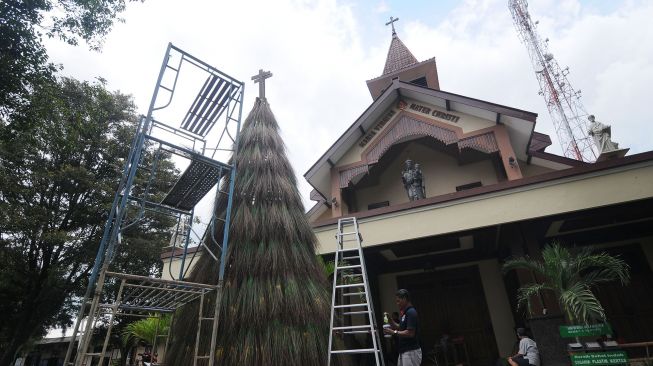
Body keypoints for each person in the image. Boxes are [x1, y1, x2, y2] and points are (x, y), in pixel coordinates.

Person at [384, 289, 422, 366]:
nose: (397, 303)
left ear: (404, 299)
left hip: (411, 351)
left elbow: (410, 333)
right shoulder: (404, 313)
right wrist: (390, 320)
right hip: (404, 351)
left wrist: (393, 332)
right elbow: (400, 327)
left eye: (398, 301)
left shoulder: (411, 312)